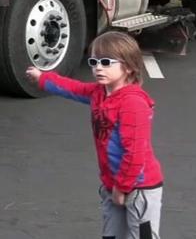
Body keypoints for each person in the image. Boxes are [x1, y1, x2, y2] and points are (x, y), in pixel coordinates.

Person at [25, 31, 163, 239]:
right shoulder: (100, 93)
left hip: (139, 187)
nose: (98, 67)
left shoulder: (132, 104)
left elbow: (134, 153)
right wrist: (43, 78)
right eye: (94, 61)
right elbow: (74, 88)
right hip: (112, 183)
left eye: (106, 62)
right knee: (112, 235)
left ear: (128, 66)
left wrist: (122, 188)